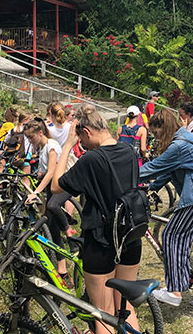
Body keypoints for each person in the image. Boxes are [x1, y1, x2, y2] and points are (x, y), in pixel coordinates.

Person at [50, 106, 143, 333]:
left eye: (81, 138)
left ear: (87, 132)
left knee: (103, 311)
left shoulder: (91, 159)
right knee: (126, 306)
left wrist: (67, 147)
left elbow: (55, 186)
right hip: (130, 234)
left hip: (101, 239)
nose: (82, 144)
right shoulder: (129, 151)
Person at [138, 108, 193, 307]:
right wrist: (153, 186)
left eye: (156, 133)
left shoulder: (178, 146)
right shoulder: (187, 135)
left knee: (172, 234)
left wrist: (124, 175)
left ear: (164, 128)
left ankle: (174, 291)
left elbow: (154, 167)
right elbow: (170, 170)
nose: (155, 138)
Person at [23, 119, 73, 280]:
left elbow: (53, 172)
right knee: (52, 229)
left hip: (61, 187)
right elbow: (46, 172)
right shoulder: (44, 148)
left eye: (31, 137)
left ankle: (70, 234)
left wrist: (36, 192)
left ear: (40, 133)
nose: (30, 141)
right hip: (51, 188)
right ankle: (62, 269)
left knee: (52, 207)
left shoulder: (52, 146)